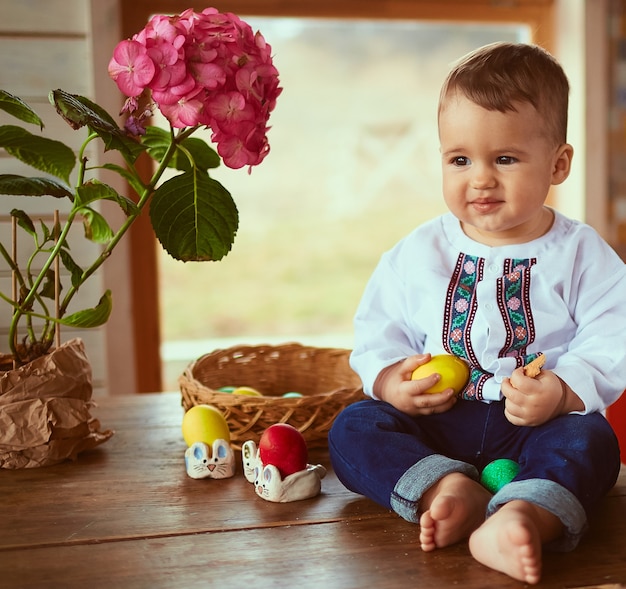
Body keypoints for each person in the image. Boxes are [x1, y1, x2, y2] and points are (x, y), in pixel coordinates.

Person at [328, 41, 626, 585]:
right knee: (353, 426)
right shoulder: (417, 253)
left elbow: (614, 332)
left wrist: (562, 391)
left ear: (558, 164)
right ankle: (445, 488)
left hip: (535, 425)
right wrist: (393, 380)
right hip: (437, 420)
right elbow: (380, 328)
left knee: (593, 441)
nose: (481, 178)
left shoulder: (581, 253)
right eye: (460, 160)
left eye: (505, 159)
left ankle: (522, 514)